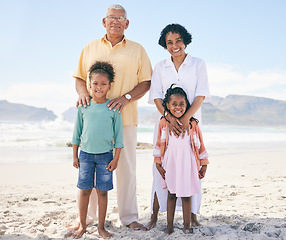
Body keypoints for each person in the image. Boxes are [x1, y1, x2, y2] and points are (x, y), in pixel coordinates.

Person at [72, 4, 152, 230]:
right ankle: (87, 219)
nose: (116, 21)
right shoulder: (89, 48)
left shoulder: (138, 50)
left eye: (120, 18)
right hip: (94, 122)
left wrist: (126, 98)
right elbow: (79, 77)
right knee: (91, 171)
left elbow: (146, 82)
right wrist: (83, 94)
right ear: (104, 22)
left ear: (127, 24)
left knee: (126, 170)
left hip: (125, 119)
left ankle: (129, 218)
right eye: (111, 18)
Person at [147, 23, 210, 229]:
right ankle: (155, 215)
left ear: (185, 40)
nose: (175, 45)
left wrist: (185, 120)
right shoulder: (160, 66)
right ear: (165, 45)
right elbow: (156, 96)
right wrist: (168, 117)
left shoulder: (198, 64)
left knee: (190, 169)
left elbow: (200, 95)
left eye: (178, 40)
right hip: (165, 125)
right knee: (161, 169)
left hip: (191, 126)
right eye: (169, 42)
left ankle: (192, 216)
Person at [72, 61, 123, 238]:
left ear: (109, 86)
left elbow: (119, 137)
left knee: (102, 192)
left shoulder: (113, 108)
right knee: (84, 190)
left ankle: (101, 227)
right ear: (89, 84)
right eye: (95, 83)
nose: (98, 87)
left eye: (103, 84)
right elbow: (76, 133)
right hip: (85, 155)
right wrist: (75, 156)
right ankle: (83, 225)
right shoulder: (83, 106)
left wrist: (116, 158)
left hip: (105, 156)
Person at [153, 84, 209, 234]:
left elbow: (200, 146)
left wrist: (204, 164)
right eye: (174, 104)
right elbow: (159, 145)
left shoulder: (192, 124)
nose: (178, 107)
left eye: (182, 104)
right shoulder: (164, 123)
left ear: (187, 105)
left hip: (187, 162)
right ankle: (169, 226)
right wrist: (158, 163)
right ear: (167, 106)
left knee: (186, 195)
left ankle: (186, 226)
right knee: (171, 194)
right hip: (171, 162)